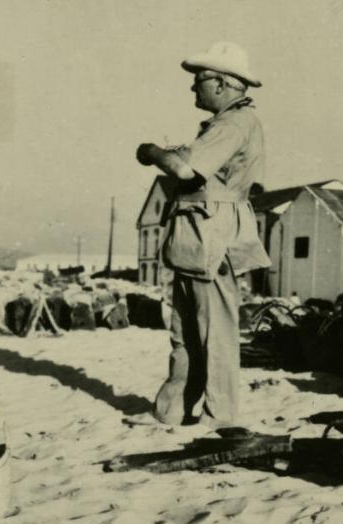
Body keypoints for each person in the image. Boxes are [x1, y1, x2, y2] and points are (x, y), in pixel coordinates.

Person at [136, 42, 271, 428]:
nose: (193, 89)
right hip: (198, 236)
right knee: (186, 331)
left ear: (223, 83)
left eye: (199, 81)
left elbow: (184, 171)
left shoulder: (233, 124)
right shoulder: (226, 124)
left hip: (212, 236)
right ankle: (172, 411)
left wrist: (151, 151)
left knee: (216, 335)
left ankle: (220, 418)